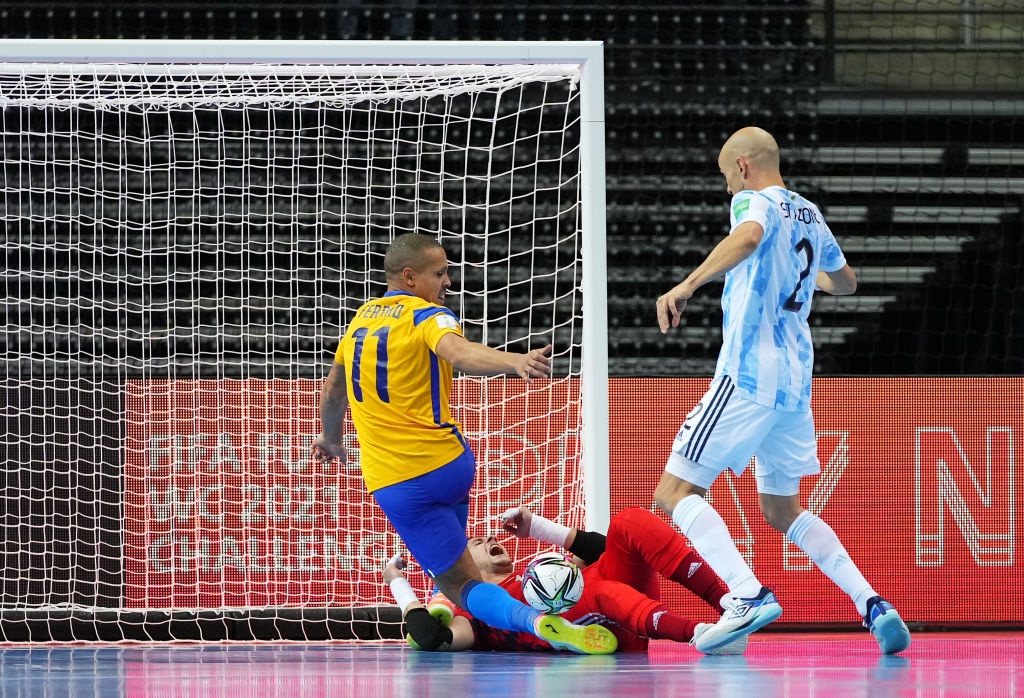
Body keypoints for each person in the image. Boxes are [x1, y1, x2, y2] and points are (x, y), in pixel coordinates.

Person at [651, 126, 912, 655]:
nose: (729, 190)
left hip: (749, 372)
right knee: (782, 510)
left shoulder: (755, 199)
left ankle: (746, 594)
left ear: (743, 167)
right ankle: (872, 604)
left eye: (727, 179)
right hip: (795, 383)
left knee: (674, 493)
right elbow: (847, 283)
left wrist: (687, 283)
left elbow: (747, 236)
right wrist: (799, 268)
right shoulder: (811, 213)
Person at [312, 232, 616, 655]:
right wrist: (513, 360)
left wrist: (331, 438)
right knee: (463, 571)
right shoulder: (428, 317)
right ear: (409, 276)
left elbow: (332, 394)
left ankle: (535, 623)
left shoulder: (360, 321)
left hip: (400, 480)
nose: (448, 281)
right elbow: (459, 351)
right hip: (451, 464)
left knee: (459, 585)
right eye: (440, 273)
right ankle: (514, 617)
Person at [384, 506, 747, 654]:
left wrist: (540, 528)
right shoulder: (472, 608)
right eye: (479, 543)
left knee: (629, 522)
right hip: (604, 623)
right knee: (596, 591)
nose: (492, 540)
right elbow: (433, 638)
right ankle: (700, 634)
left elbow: (609, 550)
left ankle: (730, 607)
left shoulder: (535, 572)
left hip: (623, 609)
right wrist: (399, 585)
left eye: (490, 537)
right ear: (463, 566)